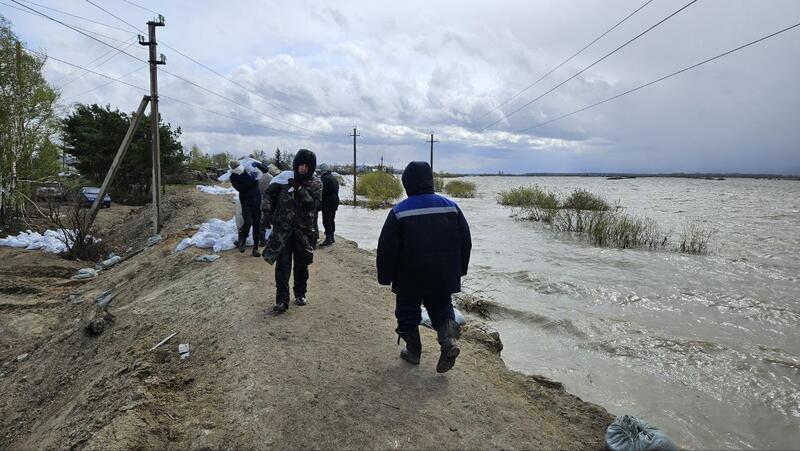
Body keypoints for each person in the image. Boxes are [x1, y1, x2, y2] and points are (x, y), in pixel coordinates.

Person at [376, 161, 471, 373]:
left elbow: (387, 247)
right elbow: (465, 240)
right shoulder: (451, 207)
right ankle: (448, 343)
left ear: (406, 183)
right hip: (443, 273)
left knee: (407, 312)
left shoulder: (399, 211)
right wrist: (460, 269)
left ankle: (413, 352)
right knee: (441, 307)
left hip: (409, 275)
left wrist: (385, 276)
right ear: (430, 181)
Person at [261, 149, 322, 314]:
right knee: (283, 266)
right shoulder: (283, 179)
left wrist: (300, 189)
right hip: (283, 232)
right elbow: (269, 195)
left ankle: (300, 293)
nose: (303, 168)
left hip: (304, 232)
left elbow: (314, 206)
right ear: (296, 164)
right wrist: (266, 213)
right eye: (301, 165)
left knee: (302, 265)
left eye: (307, 166)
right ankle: (281, 300)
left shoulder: (315, 184)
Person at [230, 160, 268, 257]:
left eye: (239, 167)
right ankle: (242, 240)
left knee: (257, 224)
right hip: (246, 202)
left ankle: (255, 248)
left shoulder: (248, 169)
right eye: (236, 168)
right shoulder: (233, 177)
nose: (239, 169)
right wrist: (252, 179)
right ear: (233, 169)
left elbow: (265, 170)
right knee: (248, 222)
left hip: (256, 200)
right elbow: (241, 188)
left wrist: (258, 165)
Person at [318, 163, 340, 247]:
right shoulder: (333, 178)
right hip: (335, 200)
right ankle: (332, 237)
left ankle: (328, 238)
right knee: (331, 219)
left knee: (326, 220)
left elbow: (323, 192)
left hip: (328, 202)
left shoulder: (325, 179)